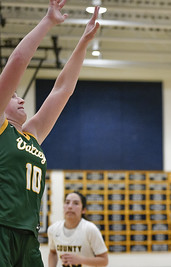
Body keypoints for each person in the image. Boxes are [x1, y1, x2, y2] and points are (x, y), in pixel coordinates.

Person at [0, 1, 100, 266]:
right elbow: (18, 62)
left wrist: (83, 42)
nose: (20, 100)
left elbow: (62, 89)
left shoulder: (31, 134)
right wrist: (48, 22)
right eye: (13, 95)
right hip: (2, 230)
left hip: (30, 235)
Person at [47, 192, 108, 267]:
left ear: (83, 210)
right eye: (67, 202)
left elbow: (104, 260)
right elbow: (53, 252)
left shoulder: (90, 229)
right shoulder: (53, 229)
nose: (70, 206)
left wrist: (81, 260)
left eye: (75, 203)